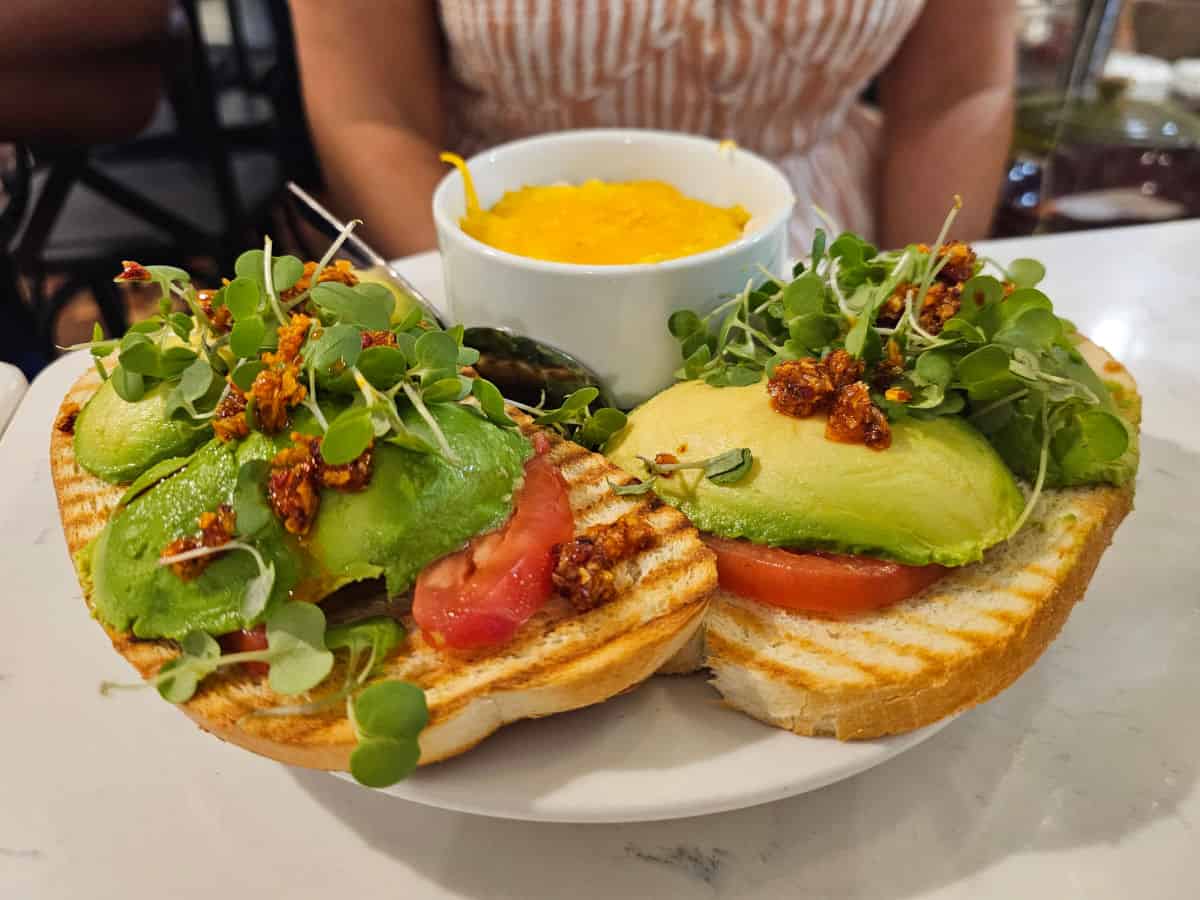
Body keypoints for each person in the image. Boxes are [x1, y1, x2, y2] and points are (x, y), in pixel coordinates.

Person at [291, 0, 1016, 259]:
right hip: (491, 267)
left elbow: (958, 95)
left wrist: (904, 309)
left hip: (835, 254)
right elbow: (370, 115)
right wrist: (490, 323)